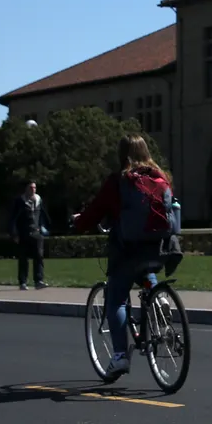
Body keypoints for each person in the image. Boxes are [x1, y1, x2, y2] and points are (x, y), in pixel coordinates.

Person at [71, 135, 182, 381]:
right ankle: (157, 297)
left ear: (122, 155)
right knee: (146, 268)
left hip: (128, 250)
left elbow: (96, 211)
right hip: (161, 249)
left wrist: (79, 222)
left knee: (116, 299)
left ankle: (120, 356)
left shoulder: (118, 182)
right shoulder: (160, 178)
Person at [8, 180, 52, 290]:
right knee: (23, 258)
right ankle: (23, 282)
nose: (33, 190)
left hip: (36, 233)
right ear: (26, 189)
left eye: (34, 188)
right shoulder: (20, 201)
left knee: (39, 256)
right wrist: (14, 233)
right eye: (31, 188)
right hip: (23, 233)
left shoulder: (38, 200)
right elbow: (13, 218)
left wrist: (45, 228)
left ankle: (39, 280)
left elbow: (43, 215)